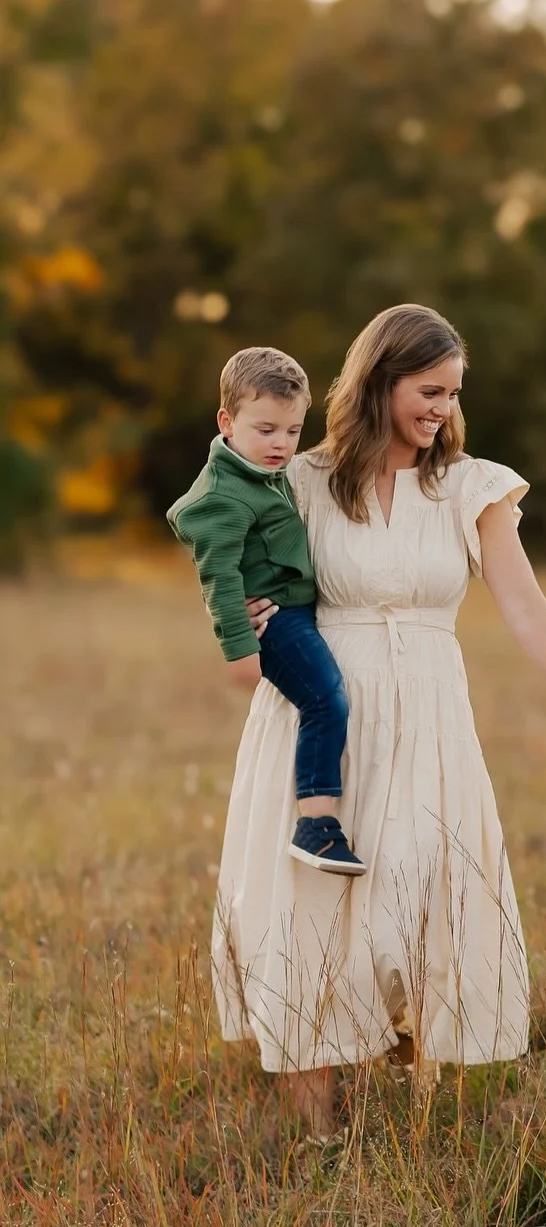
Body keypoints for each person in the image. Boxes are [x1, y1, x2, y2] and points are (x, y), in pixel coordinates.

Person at [213, 304, 546, 1140]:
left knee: (420, 890)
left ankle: (433, 1119)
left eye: (451, 394)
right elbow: (218, 539)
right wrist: (243, 616)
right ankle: (320, 1132)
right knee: (312, 909)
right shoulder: (300, 477)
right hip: (321, 713)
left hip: (430, 713)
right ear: (378, 382)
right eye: (426, 391)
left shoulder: (470, 487)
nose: (440, 409)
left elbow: (524, 604)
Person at [168, 346, 364, 873]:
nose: (281, 445)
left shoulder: (261, 469)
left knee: (330, 699)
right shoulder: (222, 496)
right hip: (276, 623)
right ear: (226, 422)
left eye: (293, 431)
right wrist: (241, 652)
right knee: (326, 701)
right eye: (266, 430)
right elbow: (219, 576)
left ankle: (319, 818)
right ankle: (317, 824)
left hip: (295, 611)